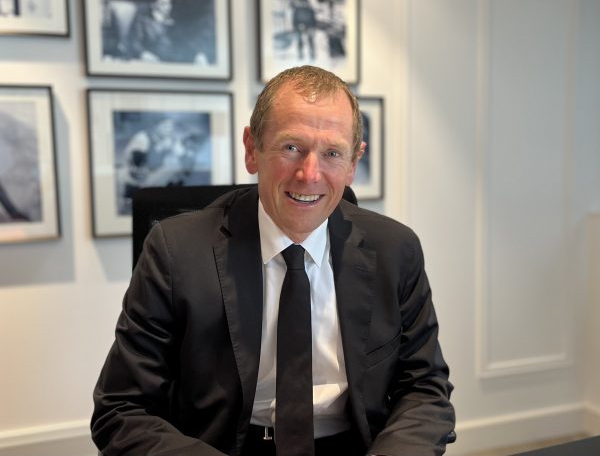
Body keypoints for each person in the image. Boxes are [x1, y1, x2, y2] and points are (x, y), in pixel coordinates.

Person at [91, 65, 455, 456]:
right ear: (252, 149)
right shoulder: (176, 251)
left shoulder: (395, 249)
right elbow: (121, 409)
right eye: (291, 147)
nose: (309, 174)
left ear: (353, 163)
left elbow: (424, 389)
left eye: (332, 153)